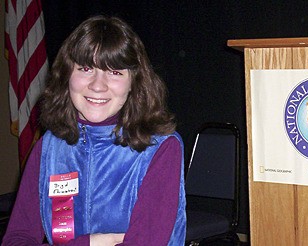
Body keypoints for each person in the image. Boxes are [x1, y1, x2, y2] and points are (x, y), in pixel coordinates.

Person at [2, 15, 186, 245]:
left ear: (134, 83)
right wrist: (88, 242)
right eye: (86, 68)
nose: (98, 85)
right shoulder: (49, 148)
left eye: (115, 72)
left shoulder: (161, 149)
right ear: (67, 75)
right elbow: (17, 238)